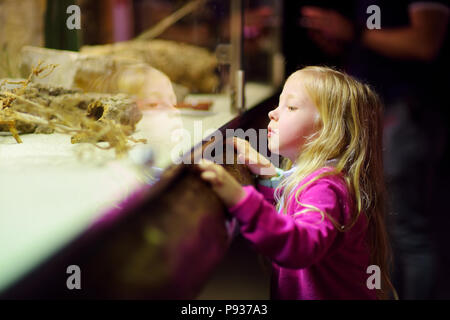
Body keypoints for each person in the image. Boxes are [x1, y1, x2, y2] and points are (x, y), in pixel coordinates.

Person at [197, 66, 394, 299]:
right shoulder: (324, 178)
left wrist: (240, 199)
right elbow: (293, 207)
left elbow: (299, 245)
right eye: (279, 104)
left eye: (290, 107)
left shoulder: (327, 188)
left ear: (328, 129)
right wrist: (267, 173)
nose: (273, 113)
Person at [300, 0, 449, 299]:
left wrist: (352, 31)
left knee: (408, 233)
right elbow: (374, 51)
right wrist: (338, 40)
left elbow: (425, 43)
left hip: (404, 116)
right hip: (374, 118)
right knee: (382, 231)